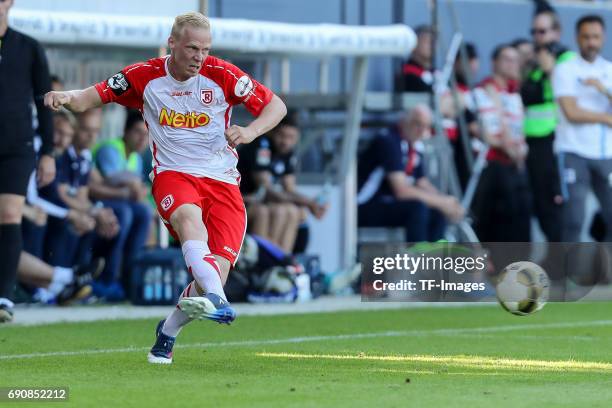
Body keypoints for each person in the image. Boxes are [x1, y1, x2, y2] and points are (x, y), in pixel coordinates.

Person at [45, 12, 286, 364]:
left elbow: (275, 106)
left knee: (210, 276)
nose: (199, 57)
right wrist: (64, 96)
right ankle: (220, 300)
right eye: (191, 48)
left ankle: (169, 330)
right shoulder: (144, 76)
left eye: (205, 49)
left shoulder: (223, 74)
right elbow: (90, 97)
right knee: (191, 222)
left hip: (222, 181)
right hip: (174, 174)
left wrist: (249, 132)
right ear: (172, 43)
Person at [0, 0, 56, 322]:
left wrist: (47, 151)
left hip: (15, 146)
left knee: (9, 215)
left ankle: (4, 296)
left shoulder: (28, 47)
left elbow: (44, 100)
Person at [357, 104, 464, 242]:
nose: (421, 131)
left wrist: (448, 204)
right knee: (418, 208)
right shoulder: (389, 141)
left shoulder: (412, 146)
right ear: (404, 121)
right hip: (363, 205)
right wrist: (441, 202)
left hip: (387, 203)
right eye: (417, 124)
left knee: (437, 213)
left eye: (426, 127)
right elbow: (401, 191)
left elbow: (422, 182)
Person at [553, 15, 612, 241]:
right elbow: (571, 112)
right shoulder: (566, 69)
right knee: (574, 218)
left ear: (603, 38)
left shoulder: (609, 70)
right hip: (573, 151)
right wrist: (605, 118)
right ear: (578, 37)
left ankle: (605, 271)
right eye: (586, 36)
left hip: (606, 153)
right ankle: (569, 273)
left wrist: (603, 90)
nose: (591, 42)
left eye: (595, 37)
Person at [520, 8, 574, 242]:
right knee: (539, 199)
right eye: (534, 32)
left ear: (557, 32)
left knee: (556, 199)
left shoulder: (567, 60)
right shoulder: (534, 64)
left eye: (542, 31)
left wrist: (549, 68)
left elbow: (566, 96)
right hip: (532, 140)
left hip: (554, 138)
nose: (537, 37)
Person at [237, 115, 327, 253]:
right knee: (267, 212)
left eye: (291, 137)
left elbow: (289, 189)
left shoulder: (288, 153)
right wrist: (309, 203)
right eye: (282, 135)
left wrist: (309, 204)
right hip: (242, 201)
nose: (285, 141)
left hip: (259, 201)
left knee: (293, 211)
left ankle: (283, 259)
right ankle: (262, 259)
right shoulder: (261, 146)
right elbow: (266, 189)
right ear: (272, 132)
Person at [471, 44, 532, 242]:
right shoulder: (484, 90)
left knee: (521, 213)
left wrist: (519, 152)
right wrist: (506, 146)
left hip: (514, 163)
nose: (512, 64)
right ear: (494, 62)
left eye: (515, 60)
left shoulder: (515, 94)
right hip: (489, 163)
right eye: (506, 59)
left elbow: (518, 129)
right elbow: (478, 128)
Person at [90, 109, 152, 297]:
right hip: (96, 203)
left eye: (146, 134)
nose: (142, 139)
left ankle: (130, 280)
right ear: (125, 132)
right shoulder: (111, 148)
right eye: (137, 132)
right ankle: (108, 279)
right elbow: (110, 181)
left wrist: (137, 190)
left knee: (144, 212)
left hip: (120, 203)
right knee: (126, 213)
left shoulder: (136, 158)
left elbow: (137, 191)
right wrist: (133, 188)